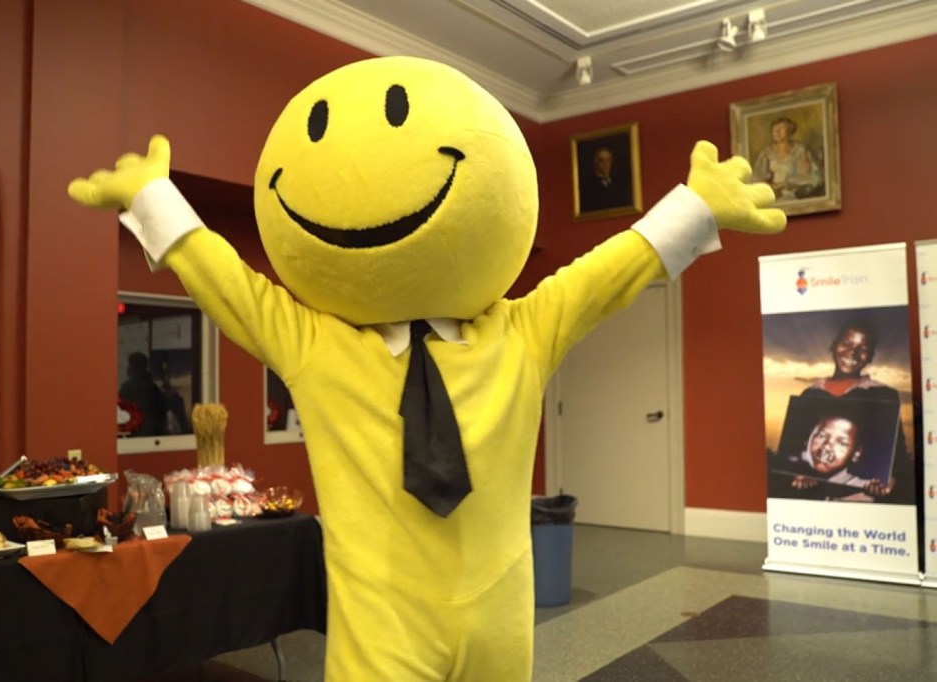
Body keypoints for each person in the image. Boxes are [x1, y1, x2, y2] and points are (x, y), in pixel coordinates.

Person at [69, 57, 784, 681]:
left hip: (501, 620)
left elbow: (604, 274)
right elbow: (231, 285)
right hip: (380, 627)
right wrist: (154, 197)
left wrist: (696, 207)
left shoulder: (523, 331)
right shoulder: (316, 345)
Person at [797, 319, 913, 503]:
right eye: (847, 343)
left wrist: (891, 480)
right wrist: (798, 476)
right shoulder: (810, 395)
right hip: (813, 503)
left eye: (863, 348)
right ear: (834, 346)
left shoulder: (882, 395)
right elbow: (795, 447)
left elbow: (896, 454)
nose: (853, 352)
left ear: (870, 357)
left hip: (858, 499)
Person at [751, 116, 822, 200]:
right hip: (773, 194)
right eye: (774, 130)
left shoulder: (800, 151)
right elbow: (758, 177)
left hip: (796, 193)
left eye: (781, 129)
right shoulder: (766, 153)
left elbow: (811, 177)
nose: (777, 132)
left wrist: (787, 184)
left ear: (789, 131)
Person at [118, 352, 165, 436]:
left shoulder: (127, 387)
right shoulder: (153, 387)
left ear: (132, 367)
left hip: (135, 434)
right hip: (153, 434)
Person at [583, 146, 630, 211]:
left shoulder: (618, 183)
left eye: (608, 160)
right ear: (595, 162)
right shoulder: (589, 187)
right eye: (602, 161)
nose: (606, 164)